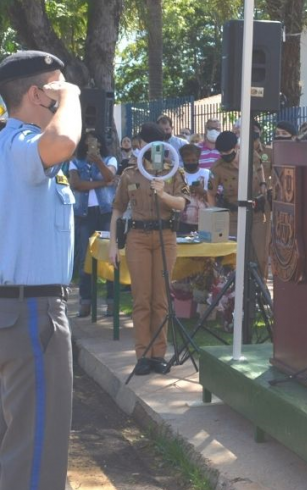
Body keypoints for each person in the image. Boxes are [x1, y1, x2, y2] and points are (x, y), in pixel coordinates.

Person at [0, 50, 81, 490]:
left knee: (12, 446)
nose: (64, 93)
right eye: (56, 87)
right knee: (35, 455)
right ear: (37, 94)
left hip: (14, 312)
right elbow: (63, 142)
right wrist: (72, 96)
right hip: (31, 314)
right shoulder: (22, 146)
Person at [109, 122, 189, 376]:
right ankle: (143, 354)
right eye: (142, 143)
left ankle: (158, 355)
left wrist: (163, 194)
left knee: (161, 299)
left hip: (165, 236)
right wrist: (112, 242)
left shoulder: (173, 171)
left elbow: (182, 204)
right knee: (141, 297)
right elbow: (118, 208)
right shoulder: (130, 174)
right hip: (138, 237)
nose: (144, 148)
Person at [207, 131, 271, 276]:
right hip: (234, 215)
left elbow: (260, 168)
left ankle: (260, 291)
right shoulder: (217, 168)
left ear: (236, 147)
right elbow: (210, 194)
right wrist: (215, 216)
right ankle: (235, 292)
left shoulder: (251, 155)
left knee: (260, 254)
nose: (225, 156)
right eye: (221, 153)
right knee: (235, 255)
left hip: (257, 213)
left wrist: (262, 183)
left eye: (227, 152)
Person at [70, 128, 118, 316]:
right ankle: (85, 301)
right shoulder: (76, 161)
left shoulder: (110, 159)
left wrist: (98, 161)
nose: (91, 144)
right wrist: (102, 184)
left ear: (100, 143)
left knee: (110, 257)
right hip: (84, 214)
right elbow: (77, 184)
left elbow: (110, 176)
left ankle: (112, 302)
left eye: (94, 141)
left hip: (105, 213)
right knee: (85, 258)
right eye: (87, 141)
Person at [177, 144, 210, 233]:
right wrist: (187, 190)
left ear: (198, 159)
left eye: (193, 160)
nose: (191, 163)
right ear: (183, 160)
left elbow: (212, 198)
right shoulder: (178, 174)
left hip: (204, 220)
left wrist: (201, 191)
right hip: (182, 221)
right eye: (187, 160)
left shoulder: (206, 173)